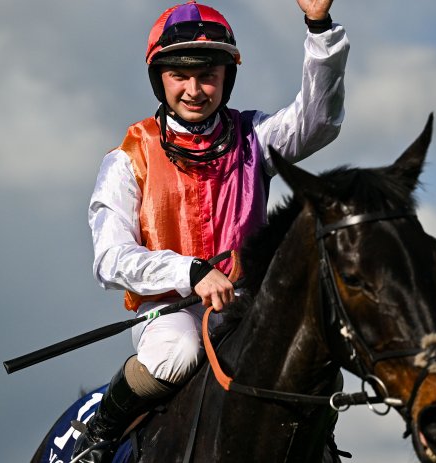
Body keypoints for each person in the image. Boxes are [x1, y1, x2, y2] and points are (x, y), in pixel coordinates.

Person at [76, 1, 349, 461]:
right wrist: (191, 272)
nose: (195, 89)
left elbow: (318, 120)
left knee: (316, 355)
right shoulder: (127, 158)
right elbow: (110, 258)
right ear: (159, 78)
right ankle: (99, 437)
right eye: (180, 75)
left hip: (247, 306)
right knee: (176, 353)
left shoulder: (254, 136)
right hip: (170, 312)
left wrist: (319, 27)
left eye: (208, 75)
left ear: (227, 78)